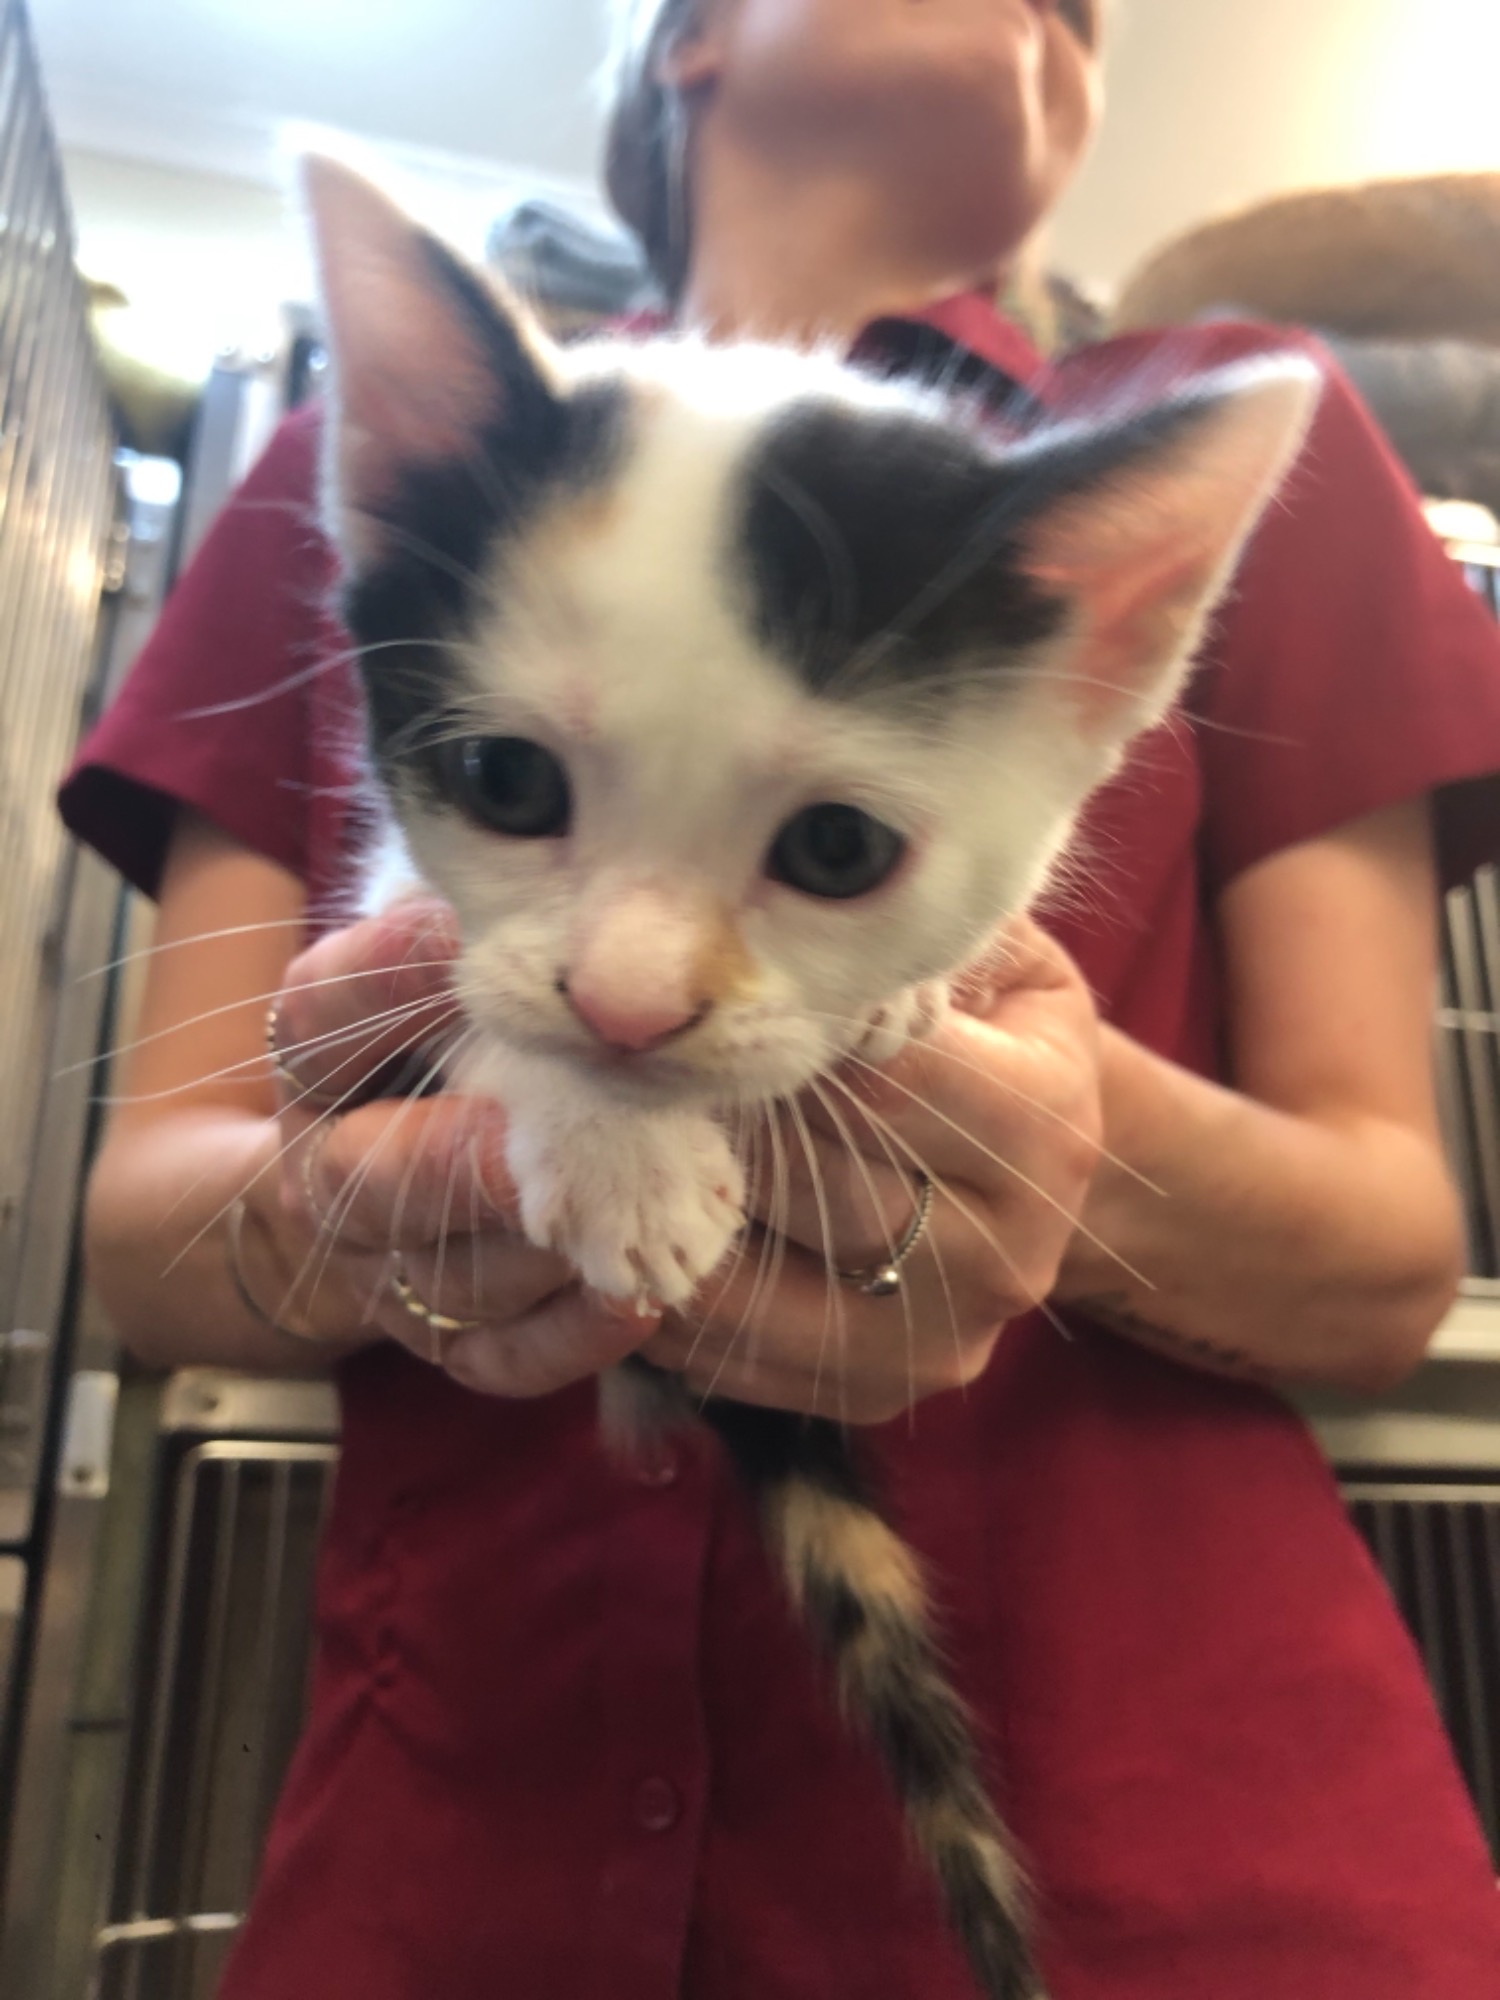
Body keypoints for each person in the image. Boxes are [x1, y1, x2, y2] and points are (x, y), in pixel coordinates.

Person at [60, 2, 1500, 1995]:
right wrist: (361, 1197)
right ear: (692, 38)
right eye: (510, 781)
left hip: (1176, 1865)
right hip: (468, 1844)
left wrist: (1060, 1141)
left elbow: (1389, 1272)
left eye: (832, 841)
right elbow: (146, 1237)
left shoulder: (1206, 445)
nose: (634, 994)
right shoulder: (423, 456)